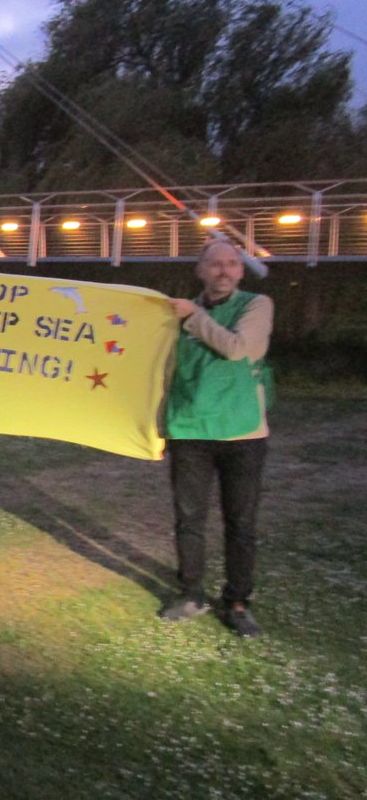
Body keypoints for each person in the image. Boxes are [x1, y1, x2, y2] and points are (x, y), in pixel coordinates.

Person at [159, 240, 274, 638]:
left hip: (242, 433)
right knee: (188, 520)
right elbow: (164, 371)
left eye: (231, 264)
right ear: (200, 271)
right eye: (215, 265)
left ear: (241, 272)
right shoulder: (175, 315)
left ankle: (238, 603)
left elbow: (241, 348)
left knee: (240, 522)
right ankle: (191, 593)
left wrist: (192, 317)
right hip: (190, 431)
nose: (224, 271)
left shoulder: (256, 305)